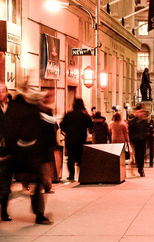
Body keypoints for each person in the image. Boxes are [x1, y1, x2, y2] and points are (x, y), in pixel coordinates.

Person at [5, 83, 53, 224]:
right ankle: (37, 214)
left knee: (35, 183)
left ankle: (39, 213)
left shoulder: (29, 109)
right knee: (11, 183)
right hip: (24, 152)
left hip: (29, 153)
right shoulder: (25, 109)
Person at [60, 98, 93, 181]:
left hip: (70, 139)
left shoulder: (69, 114)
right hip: (81, 139)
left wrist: (67, 131)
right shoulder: (84, 115)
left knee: (70, 158)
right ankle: (82, 175)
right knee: (82, 157)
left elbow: (62, 125)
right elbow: (90, 125)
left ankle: (71, 175)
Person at [0, 84, 13, 221]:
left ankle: (4, 211)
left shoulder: (13, 108)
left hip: (9, 151)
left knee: (6, 184)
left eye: (1, 92)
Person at [128, 105, 149, 177]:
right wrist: (131, 140)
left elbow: (146, 131)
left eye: (141, 112)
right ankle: (139, 166)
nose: (140, 113)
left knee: (142, 154)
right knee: (137, 154)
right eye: (138, 112)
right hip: (136, 140)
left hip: (142, 140)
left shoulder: (144, 122)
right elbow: (130, 131)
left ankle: (141, 168)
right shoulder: (132, 122)